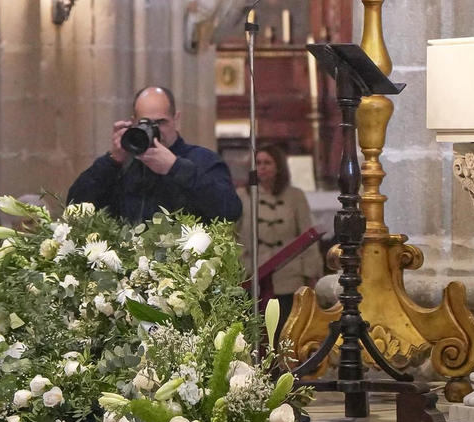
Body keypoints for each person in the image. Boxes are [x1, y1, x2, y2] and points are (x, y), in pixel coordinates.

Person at [67, 86, 242, 225]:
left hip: (185, 266)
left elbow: (230, 211)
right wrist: (112, 160)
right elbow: (75, 208)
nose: (154, 130)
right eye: (145, 123)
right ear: (133, 122)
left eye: (161, 122)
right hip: (128, 266)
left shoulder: (203, 160)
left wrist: (176, 167)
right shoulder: (124, 166)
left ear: (176, 120)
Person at [241, 144, 322, 341]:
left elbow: (307, 235)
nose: (262, 167)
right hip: (255, 275)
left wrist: (311, 273)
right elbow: (235, 237)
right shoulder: (243, 196)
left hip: (288, 277)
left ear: (279, 166)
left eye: (267, 162)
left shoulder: (295, 196)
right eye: (258, 163)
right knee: (259, 336)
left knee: (287, 335)